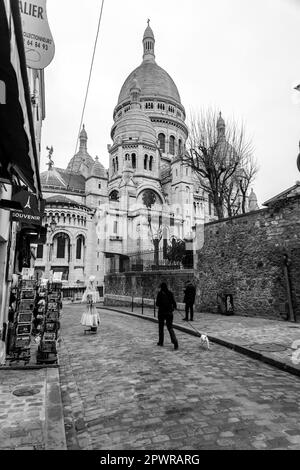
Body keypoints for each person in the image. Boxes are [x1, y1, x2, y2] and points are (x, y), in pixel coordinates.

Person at [156, 282, 178, 350]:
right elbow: (174, 303)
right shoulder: (170, 293)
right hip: (169, 313)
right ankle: (174, 341)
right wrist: (172, 309)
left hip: (161, 313)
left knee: (161, 328)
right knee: (170, 327)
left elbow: (157, 304)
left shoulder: (160, 293)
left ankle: (161, 342)